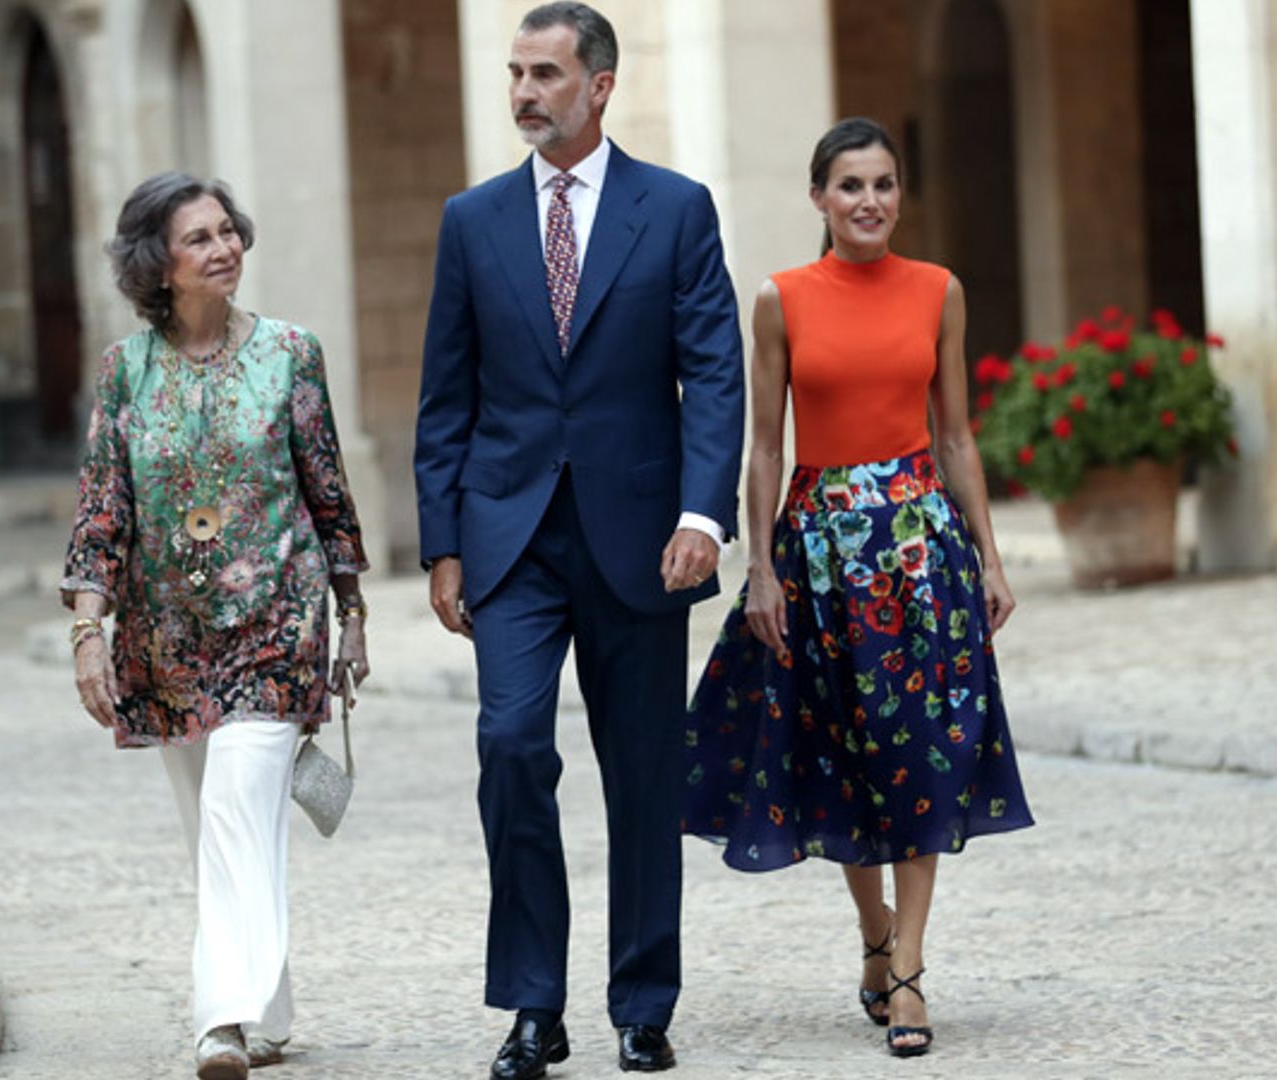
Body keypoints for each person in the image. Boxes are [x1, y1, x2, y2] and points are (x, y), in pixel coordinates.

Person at [413, 4, 744, 1076]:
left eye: (546, 73)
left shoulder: (678, 210)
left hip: (643, 537)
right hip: (510, 538)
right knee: (511, 745)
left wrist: (703, 515)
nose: (524, 91)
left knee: (643, 771)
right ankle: (532, 1006)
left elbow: (714, 375)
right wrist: (443, 544)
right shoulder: (472, 221)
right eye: (515, 72)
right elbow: (445, 399)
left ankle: (643, 1003)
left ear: (600, 85)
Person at [681, 118, 1035, 1059]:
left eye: (883, 184)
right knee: (846, 756)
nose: (870, 201)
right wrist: (758, 565)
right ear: (819, 198)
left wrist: (991, 558)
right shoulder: (782, 300)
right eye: (850, 186)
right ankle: (874, 931)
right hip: (822, 556)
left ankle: (910, 971)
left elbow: (955, 435)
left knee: (923, 755)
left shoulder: (939, 292)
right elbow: (763, 446)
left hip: (924, 554)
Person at [61, 172, 370, 1079]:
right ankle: (268, 1010)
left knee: (238, 801)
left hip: (276, 625)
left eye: (229, 230)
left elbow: (328, 492)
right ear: (158, 264)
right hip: (165, 641)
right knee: (217, 822)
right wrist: (87, 633)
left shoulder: (290, 353)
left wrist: (349, 616)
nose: (223, 248)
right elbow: (100, 513)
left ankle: (221, 1021)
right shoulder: (125, 372)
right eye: (199, 238)